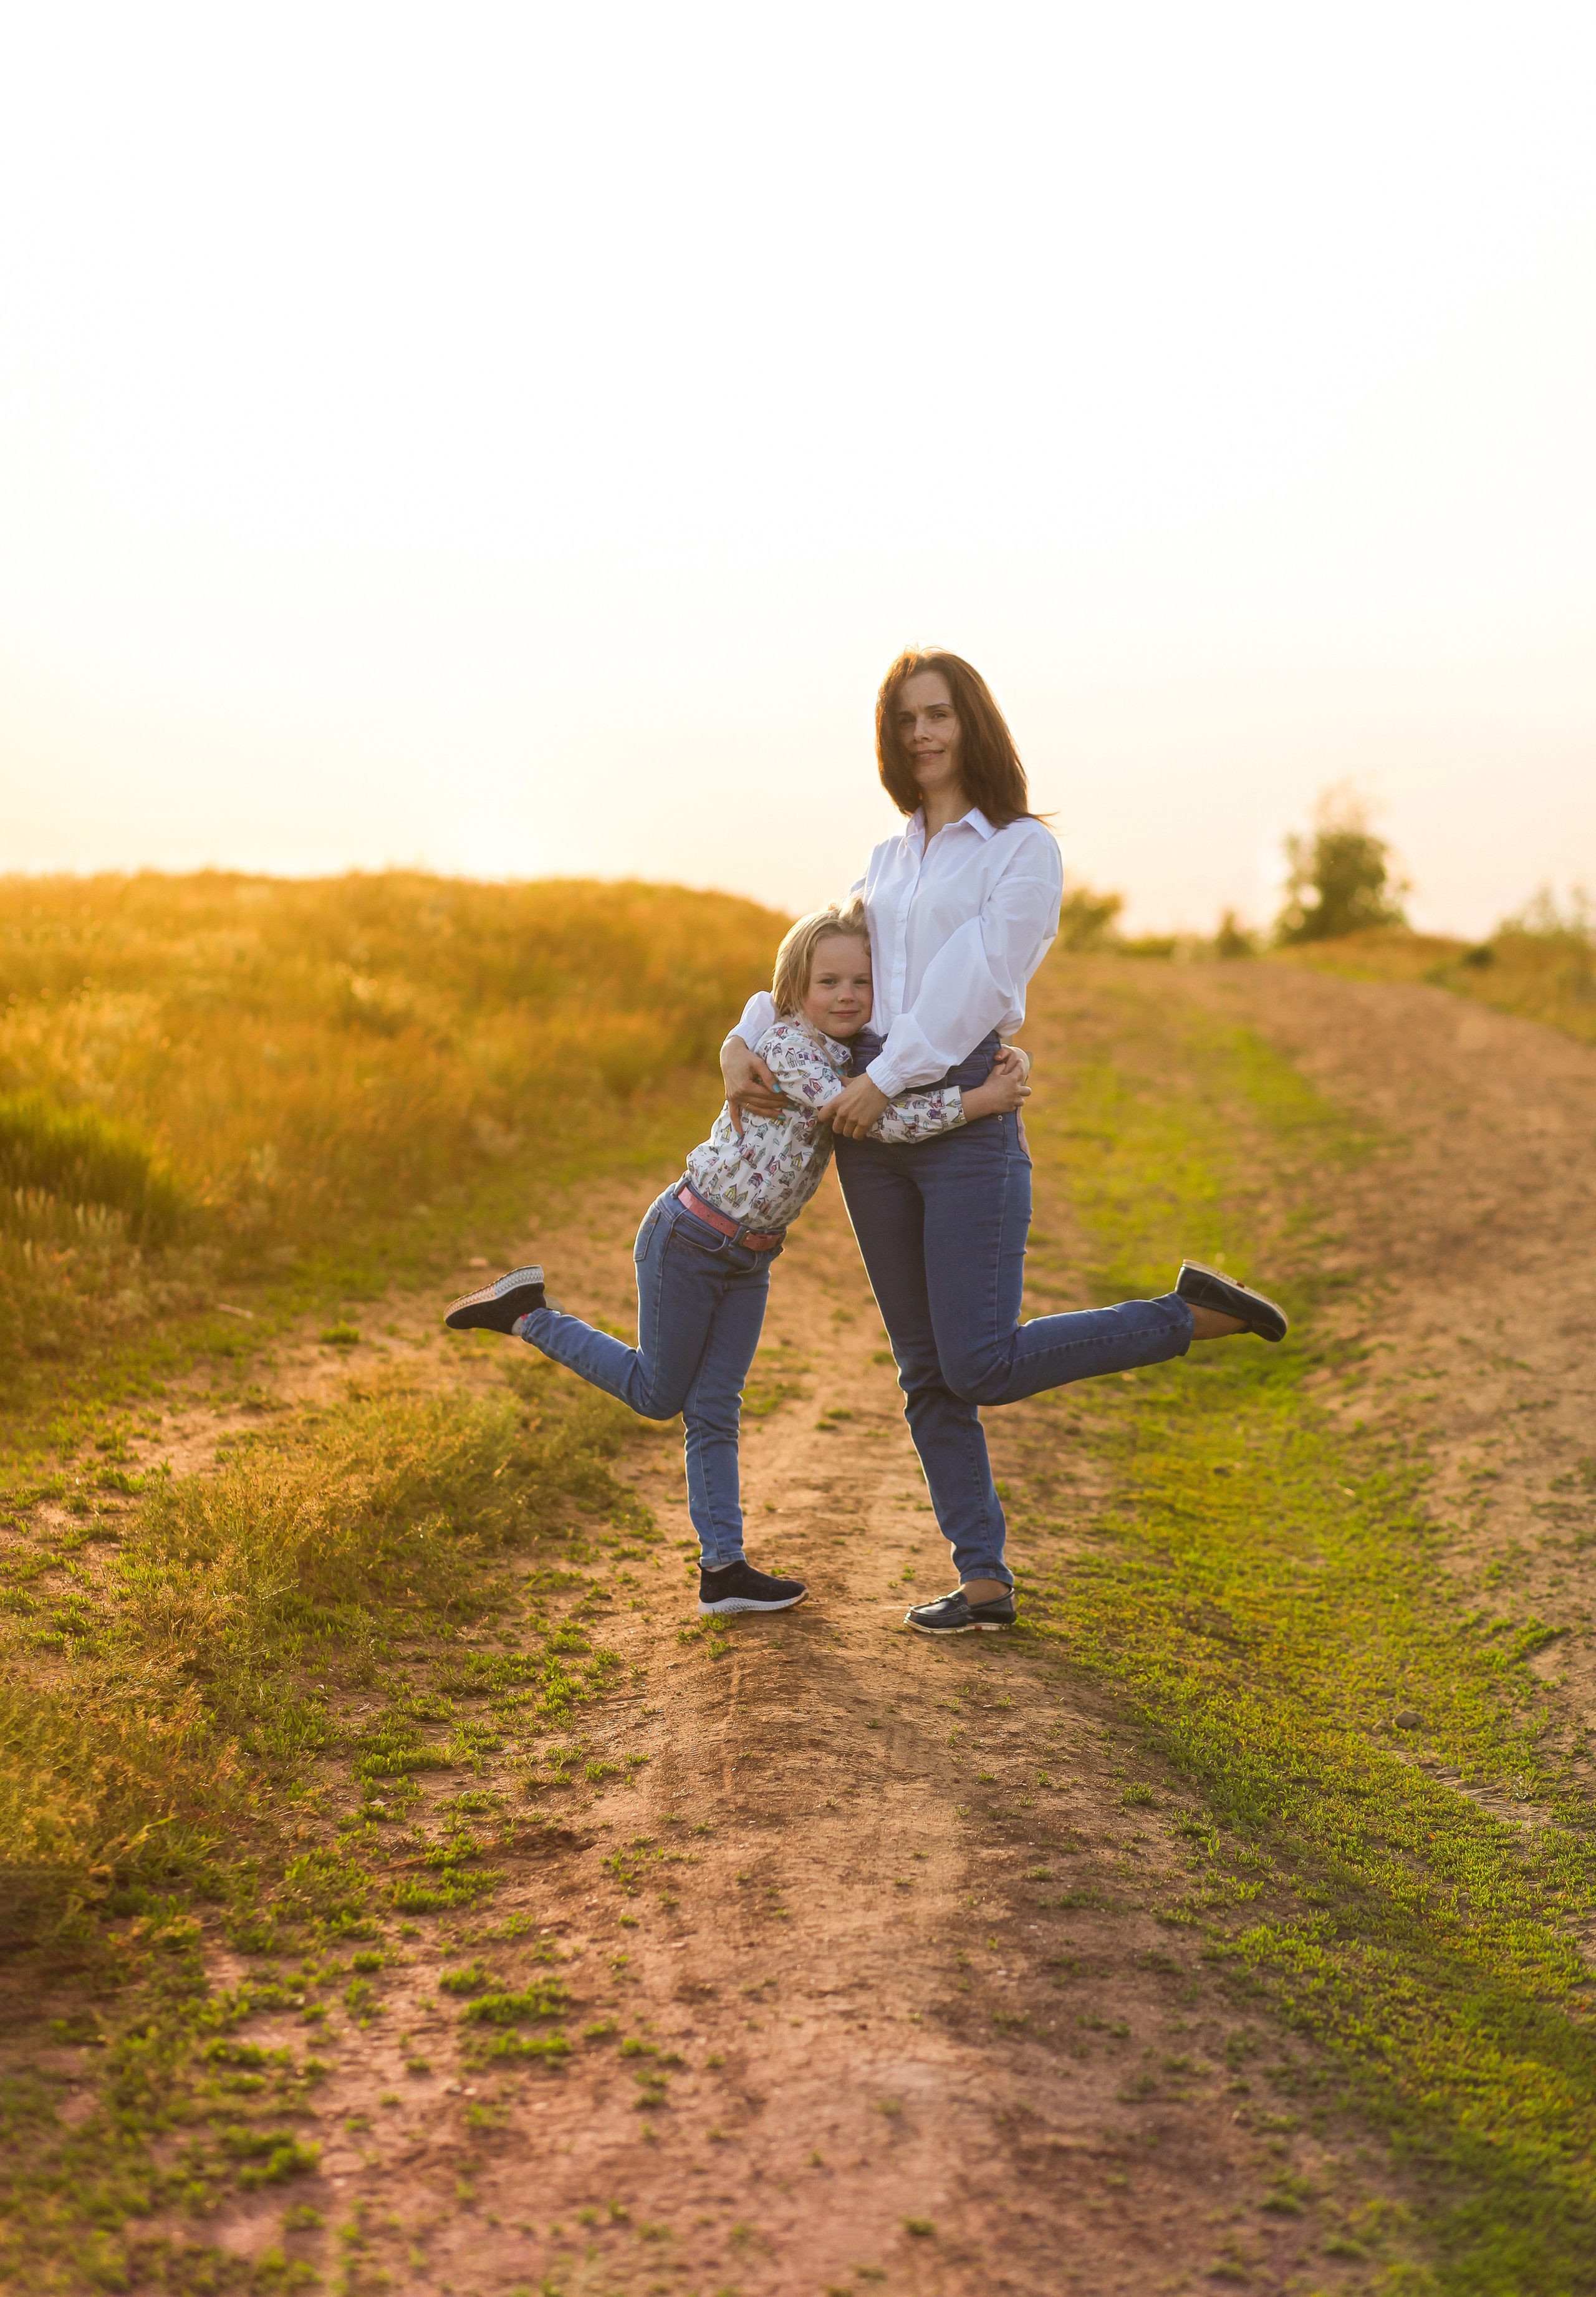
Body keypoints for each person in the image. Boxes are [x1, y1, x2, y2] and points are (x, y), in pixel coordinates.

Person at [720, 647, 1288, 1637]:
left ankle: (1184, 1315)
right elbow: (815, 967)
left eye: (938, 715)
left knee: (977, 1360)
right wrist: (741, 1041)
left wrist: (883, 1079)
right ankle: (982, 1580)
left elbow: (981, 980)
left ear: (972, 722)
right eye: (905, 721)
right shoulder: (888, 860)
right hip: (871, 1124)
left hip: (954, 1098)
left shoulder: (1021, 849)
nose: (923, 735)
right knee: (923, 1369)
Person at [444, 899, 1031, 1619]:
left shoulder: (851, 1056)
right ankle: (528, 1313)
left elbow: (909, 1061)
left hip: (750, 1257)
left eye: (862, 982)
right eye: (828, 983)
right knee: (661, 1395)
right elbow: (885, 1122)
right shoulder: (788, 1052)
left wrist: (1005, 1052)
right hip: (689, 1238)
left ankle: (722, 1571)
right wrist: (981, 1102)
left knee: (715, 1410)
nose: (847, 996)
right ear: (796, 993)